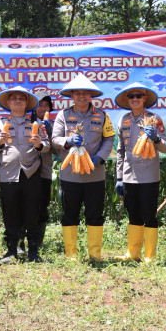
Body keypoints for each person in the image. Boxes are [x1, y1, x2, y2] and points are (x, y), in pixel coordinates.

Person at [52, 73, 116, 260]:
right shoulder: (63, 115)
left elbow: (109, 138)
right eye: (77, 93)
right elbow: (55, 139)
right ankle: (71, 254)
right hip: (70, 174)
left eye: (85, 93)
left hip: (95, 174)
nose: (81, 96)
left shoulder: (102, 115)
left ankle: (95, 254)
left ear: (91, 95)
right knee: (69, 214)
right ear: (71, 95)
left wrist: (101, 157)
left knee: (95, 214)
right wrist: (68, 140)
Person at [0, 86, 50, 263]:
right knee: (10, 213)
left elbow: (47, 146)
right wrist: (0, 142)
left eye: (21, 98)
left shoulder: (35, 123)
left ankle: (33, 252)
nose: (17, 100)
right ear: (8, 103)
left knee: (32, 213)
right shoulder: (0, 124)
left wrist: (39, 144)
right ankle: (11, 251)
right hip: (8, 174)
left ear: (26, 103)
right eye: (13, 98)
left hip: (30, 173)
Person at [114, 82, 166, 263]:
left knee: (149, 215)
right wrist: (119, 177)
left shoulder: (155, 118)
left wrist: (155, 137)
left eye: (139, 96)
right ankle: (133, 254)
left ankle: (150, 256)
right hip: (129, 175)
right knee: (133, 215)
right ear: (128, 100)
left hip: (149, 175)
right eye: (132, 96)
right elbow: (121, 151)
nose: (135, 99)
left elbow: (165, 147)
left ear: (145, 98)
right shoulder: (124, 120)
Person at [30, 92, 55, 252]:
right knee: (24, 208)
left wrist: (50, 133)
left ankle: (37, 242)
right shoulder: (26, 122)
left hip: (44, 173)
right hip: (25, 173)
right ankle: (20, 243)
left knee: (41, 208)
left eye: (46, 105)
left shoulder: (51, 125)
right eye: (40, 104)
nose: (43, 108)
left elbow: (58, 151)